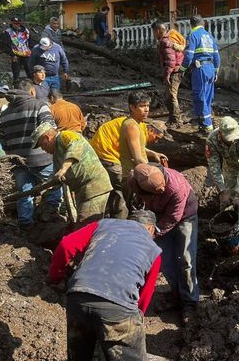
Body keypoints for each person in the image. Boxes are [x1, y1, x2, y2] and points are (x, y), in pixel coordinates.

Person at [48, 210, 162, 361]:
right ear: (150, 228)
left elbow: (65, 245)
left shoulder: (102, 225)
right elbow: (145, 295)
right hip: (118, 308)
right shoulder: (154, 250)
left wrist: (55, 277)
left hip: (78, 296)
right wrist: (134, 320)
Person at [128, 163, 199, 326]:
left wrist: (152, 232)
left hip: (184, 217)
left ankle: (190, 302)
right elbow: (135, 201)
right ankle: (176, 294)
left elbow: (173, 218)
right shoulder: (134, 179)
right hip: (156, 215)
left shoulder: (177, 187)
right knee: (165, 259)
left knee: (185, 260)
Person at [0, 79, 62, 228]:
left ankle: (25, 224)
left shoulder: (5, 113)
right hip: (42, 158)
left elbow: (3, 140)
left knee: (24, 192)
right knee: (55, 184)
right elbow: (50, 129)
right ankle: (50, 215)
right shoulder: (39, 105)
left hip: (18, 160)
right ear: (32, 91)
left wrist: (12, 155)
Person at [32, 122, 113, 224]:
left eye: (42, 145)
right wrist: (41, 189)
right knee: (86, 224)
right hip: (83, 191)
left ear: (47, 137)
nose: (43, 149)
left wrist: (63, 169)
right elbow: (55, 179)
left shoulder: (65, 135)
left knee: (85, 224)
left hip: (95, 186)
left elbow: (76, 145)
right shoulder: (57, 155)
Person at [119, 91, 167, 210]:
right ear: (132, 107)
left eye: (147, 106)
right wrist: (153, 174)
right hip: (133, 175)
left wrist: (153, 153)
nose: (146, 109)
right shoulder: (132, 126)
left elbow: (138, 146)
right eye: (142, 106)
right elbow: (137, 158)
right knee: (135, 210)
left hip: (137, 173)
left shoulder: (138, 123)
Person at [179, 15, 220, 134]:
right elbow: (217, 56)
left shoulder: (193, 35)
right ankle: (205, 124)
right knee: (208, 97)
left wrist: (182, 69)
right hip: (211, 68)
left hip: (200, 69)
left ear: (191, 25)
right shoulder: (210, 36)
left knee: (199, 96)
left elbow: (189, 55)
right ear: (203, 24)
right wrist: (216, 71)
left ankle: (206, 126)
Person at [152, 20, 186, 127]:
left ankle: (176, 121)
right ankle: (172, 119)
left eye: (154, 32)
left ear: (158, 31)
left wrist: (166, 75)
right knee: (169, 95)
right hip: (177, 69)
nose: (154, 34)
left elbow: (170, 61)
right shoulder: (170, 38)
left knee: (171, 96)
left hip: (174, 71)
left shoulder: (165, 42)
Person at [4, 17, 32, 87]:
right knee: (16, 72)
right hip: (16, 55)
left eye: (18, 23)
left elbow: (30, 41)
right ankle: (16, 87)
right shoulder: (8, 32)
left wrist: (31, 50)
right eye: (14, 23)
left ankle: (33, 86)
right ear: (12, 23)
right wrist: (12, 55)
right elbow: (6, 45)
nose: (16, 25)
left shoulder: (25, 31)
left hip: (26, 54)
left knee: (29, 70)